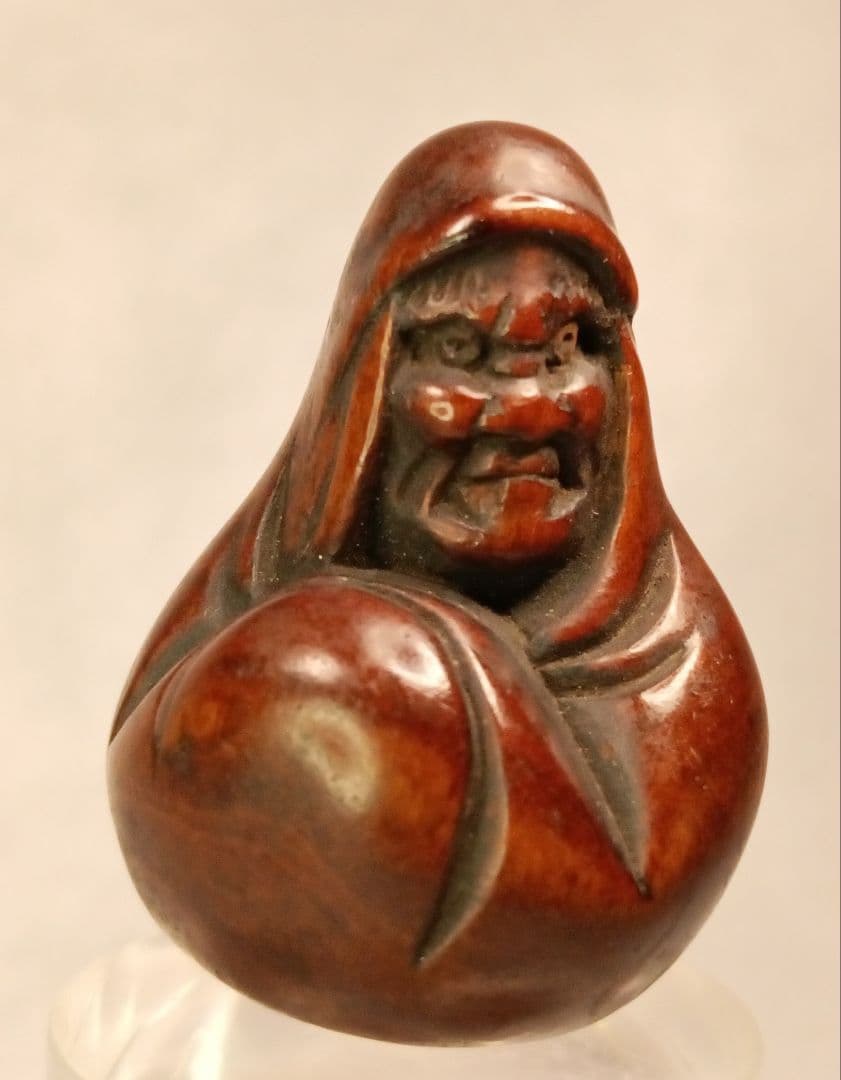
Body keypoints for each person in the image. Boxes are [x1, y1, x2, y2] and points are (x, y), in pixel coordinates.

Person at [108, 122, 767, 1043]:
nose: (528, 410)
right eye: (459, 350)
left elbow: (614, 911)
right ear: (364, 380)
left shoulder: (689, 684)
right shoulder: (263, 647)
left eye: (565, 347)